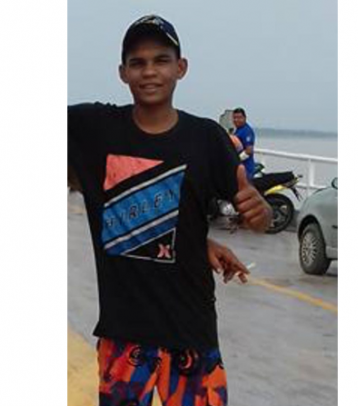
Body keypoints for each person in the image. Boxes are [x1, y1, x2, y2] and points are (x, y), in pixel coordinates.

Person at [67, 14, 271, 406]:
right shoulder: (93, 129)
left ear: (181, 67)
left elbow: (255, 216)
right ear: (122, 73)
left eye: (161, 60)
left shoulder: (206, 139)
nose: (149, 71)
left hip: (192, 332)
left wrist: (260, 215)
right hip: (123, 338)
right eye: (137, 62)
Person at [232, 107, 256, 179]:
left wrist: (236, 160)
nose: (237, 120)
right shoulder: (238, 130)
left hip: (246, 169)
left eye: (239, 118)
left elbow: (249, 151)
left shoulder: (247, 131)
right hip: (238, 168)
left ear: (245, 118)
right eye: (235, 118)